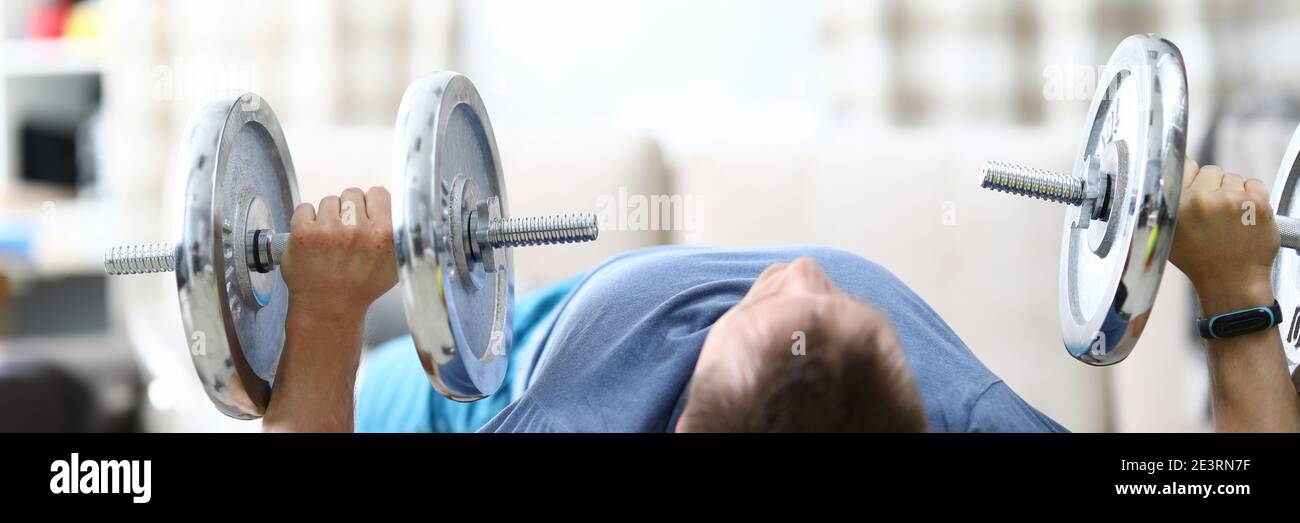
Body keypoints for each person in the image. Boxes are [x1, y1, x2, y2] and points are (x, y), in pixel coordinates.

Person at [261, 160, 1300, 432]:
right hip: (507, 299)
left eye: (749, 312)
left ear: (673, 417)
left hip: (486, 375)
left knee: (285, 376)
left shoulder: (566, 417)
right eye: (861, 322)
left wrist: (322, 317)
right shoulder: (974, 419)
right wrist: (1237, 285)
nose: (797, 270)